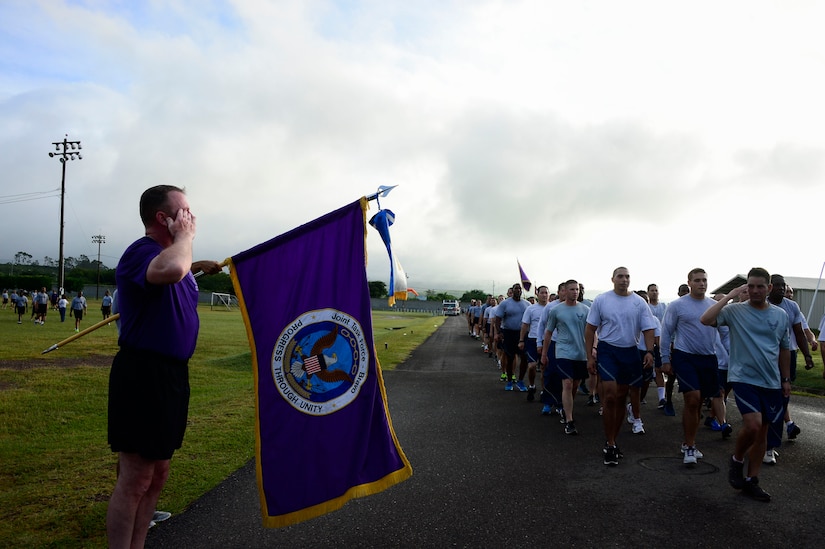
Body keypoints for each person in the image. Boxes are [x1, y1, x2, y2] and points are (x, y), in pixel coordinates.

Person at [105, 185, 221, 547]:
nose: (191, 217)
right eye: (184, 211)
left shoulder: (170, 257)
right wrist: (185, 239)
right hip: (143, 374)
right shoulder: (142, 252)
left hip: (170, 376)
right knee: (136, 478)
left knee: (158, 475)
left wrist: (195, 265)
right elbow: (169, 269)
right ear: (163, 218)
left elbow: (178, 271)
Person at [700, 267, 791, 502]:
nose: (755, 290)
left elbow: (784, 349)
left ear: (769, 288)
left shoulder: (780, 315)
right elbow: (706, 319)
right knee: (752, 425)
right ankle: (737, 460)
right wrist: (730, 296)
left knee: (762, 433)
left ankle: (752, 480)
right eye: (750, 286)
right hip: (743, 378)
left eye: (760, 286)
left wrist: (785, 379)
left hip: (770, 381)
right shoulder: (735, 311)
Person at [585, 267, 657, 466]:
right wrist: (589, 356)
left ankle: (613, 441)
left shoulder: (639, 302)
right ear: (613, 279)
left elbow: (649, 329)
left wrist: (650, 351)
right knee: (609, 395)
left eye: (627, 277)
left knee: (620, 397)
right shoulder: (602, 300)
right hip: (608, 350)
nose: (624, 280)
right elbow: (590, 329)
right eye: (620, 276)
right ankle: (609, 443)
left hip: (630, 351)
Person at [660, 268, 727, 467]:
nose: (702, 284)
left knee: (698, 404)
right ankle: (689, 446)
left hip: (708, 358)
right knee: (693, 398)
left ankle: (688, 441)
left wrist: (734, 356)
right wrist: (665, 359)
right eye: (697, 280)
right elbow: (666, 331)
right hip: (684, 356)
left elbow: (724, 335)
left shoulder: (714, 306)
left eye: (704, 280)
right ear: (689, 282)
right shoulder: (677, 306)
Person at [763, 274, 815, 464]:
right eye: (777, 285)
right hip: (766, 356)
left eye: (783, 285)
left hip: (788, 355)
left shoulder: (792, 306)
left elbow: (799, 333)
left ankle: (771, 443)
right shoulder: (762, 304)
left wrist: (807, 356)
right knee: (769, 398)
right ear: (769, 287)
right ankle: (765, 442)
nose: (781, 288)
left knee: (783, 397)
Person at [542, 280, 590, 435]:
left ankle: (566, 407)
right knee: (567, 383)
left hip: (580, 353)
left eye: (577, 289)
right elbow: (548, 332)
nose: (575, 292)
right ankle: (569, 420)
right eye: (572, 289)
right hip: (563, 351)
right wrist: (544, 353)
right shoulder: (556, 310)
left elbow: (592, 332)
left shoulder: (585, 309)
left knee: (575, 384)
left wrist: (593, 349)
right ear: (564, 291)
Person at [495, 283, 529, 392]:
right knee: (510, 358)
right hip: (509, 333)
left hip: (523, 334)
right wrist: (499, 332)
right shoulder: (505, 303)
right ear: (512, 290)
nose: (518, 290)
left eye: (520, 289)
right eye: (516, 289)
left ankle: (520, 381)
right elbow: (498, 319)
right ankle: (509, 380)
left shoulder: (527, 304)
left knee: (524, 358)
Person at [519, 285, 549, 401]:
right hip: (532, 340)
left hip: (547, 341)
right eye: (542, 293)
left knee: (544, 368)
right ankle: (532, 385)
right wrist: (521, 340)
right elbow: (525, 325)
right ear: (537, 294)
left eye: (546, 293)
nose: (544, 295)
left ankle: (544, 391)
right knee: (531, 366)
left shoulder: (552, 308)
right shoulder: (531, 309)